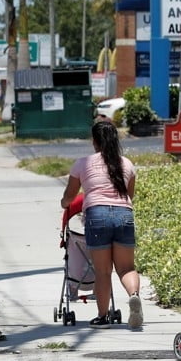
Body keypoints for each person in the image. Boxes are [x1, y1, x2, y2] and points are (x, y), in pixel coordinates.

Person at [60, 120, 143, 330]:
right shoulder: (127, 163)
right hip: (124, 214)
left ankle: (103, 316)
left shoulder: (83, 163)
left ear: (94, 141)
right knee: (126, 268)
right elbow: (129, 196)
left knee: (103, 271)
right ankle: (134, 296)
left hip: (97, 215)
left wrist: (64, 203)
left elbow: (69, 196)